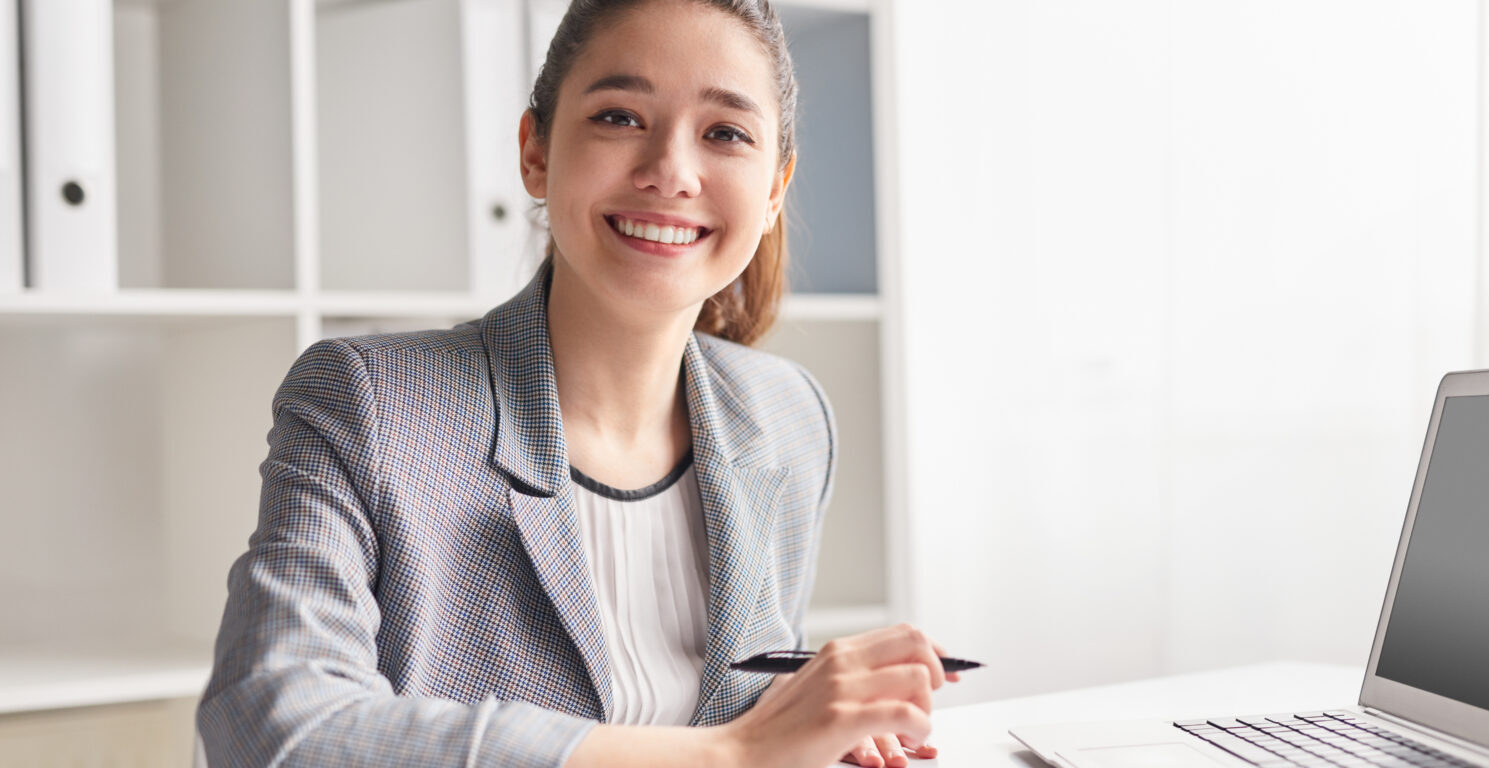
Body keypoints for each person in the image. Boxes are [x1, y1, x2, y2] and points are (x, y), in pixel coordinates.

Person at [196, 1, 959, 766]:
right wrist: (733, 753)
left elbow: (743, 702)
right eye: (620, 117)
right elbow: (270, 728)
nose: (671, 171)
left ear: (773, 190)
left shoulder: (790, 417)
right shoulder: (369, 401)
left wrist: (816, 724)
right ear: (535, 153)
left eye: (725, 132)